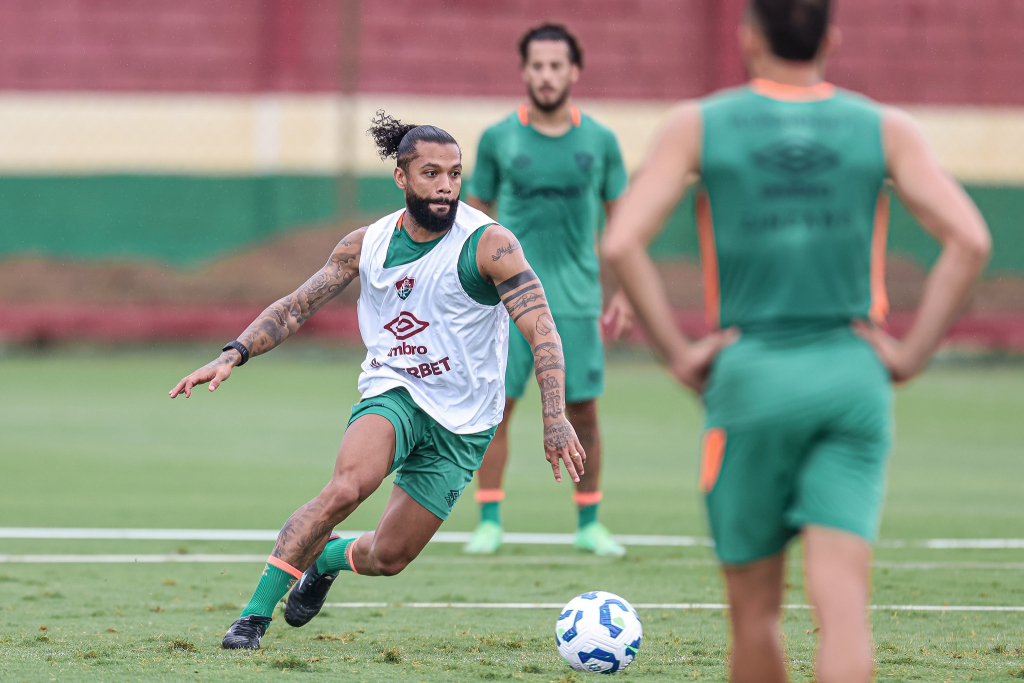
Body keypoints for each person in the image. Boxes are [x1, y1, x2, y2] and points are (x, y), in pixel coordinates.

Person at [602, 1, 991, 681]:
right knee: (843, 605)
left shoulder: (698, 124)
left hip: (750, 377)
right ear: (831, 40)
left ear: (749, 37)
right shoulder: (884, 127)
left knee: (755, 614)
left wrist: (679, 351)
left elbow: (622, 239)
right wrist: (908, 354)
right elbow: (972, 239)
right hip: (852, 377)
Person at [169, 111, 586, 650]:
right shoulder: (365, 243)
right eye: (432, 174)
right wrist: (235, 352)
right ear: (402, 178)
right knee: (346, 488)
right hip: (395, 392)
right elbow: (298, 306)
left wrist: (555, 417)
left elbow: (543, 327)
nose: (445, 187)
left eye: (455, 174)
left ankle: (327, 557)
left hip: (466, 419)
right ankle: (252, 618)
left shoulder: (489, 244)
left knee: (389, 557)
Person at [464, 23, 632, 557]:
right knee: (499, 408)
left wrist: (622, 292)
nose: (546, 75)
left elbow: (620, 224)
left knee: (582, 412)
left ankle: (590, 523)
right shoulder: (498, 138)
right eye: (537, 65)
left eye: (556, 65)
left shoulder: (601, 141)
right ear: (525, 71)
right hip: (509, 301)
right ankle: (489, 519)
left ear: (574, 71)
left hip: (578, 302)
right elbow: (474, 219)